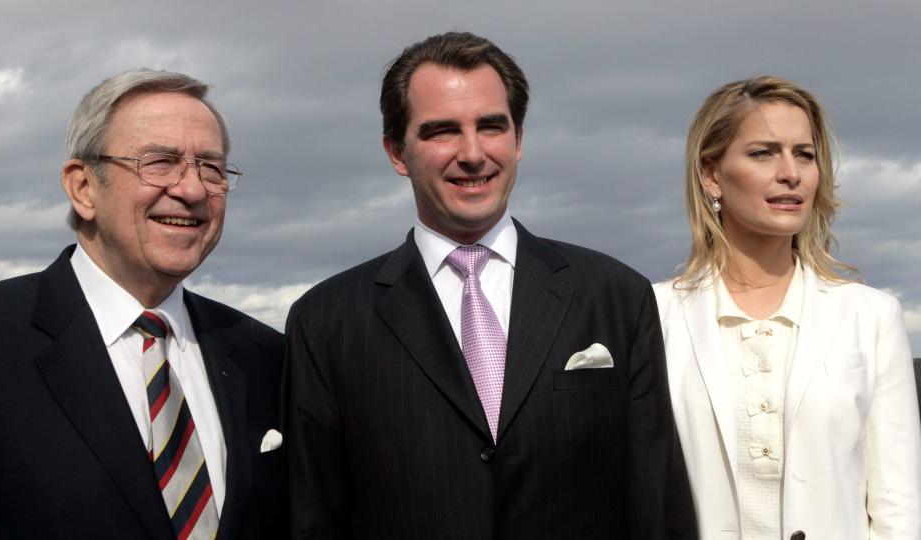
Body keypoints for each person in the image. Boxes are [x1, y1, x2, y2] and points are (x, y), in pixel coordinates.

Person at [286, 31, 695, 539]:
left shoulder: (615, 296)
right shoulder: (326, 321)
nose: (473, 153)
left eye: (491, 126)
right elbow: (314, 517)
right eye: (442, 131)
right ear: (396, 151)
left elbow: (656, 499)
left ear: (519, 139)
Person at [0, 69, 287, 539]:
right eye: (159, 162)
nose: (193, 190)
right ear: (83, 187)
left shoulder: (266, 357)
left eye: (212, 168)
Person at [654, 76, 921, 539]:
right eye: (763, 153)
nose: (791, 173)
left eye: (805, 154)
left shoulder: (871, 316)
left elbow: (899, 505)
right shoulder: (654, 315)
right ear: (711, 174)